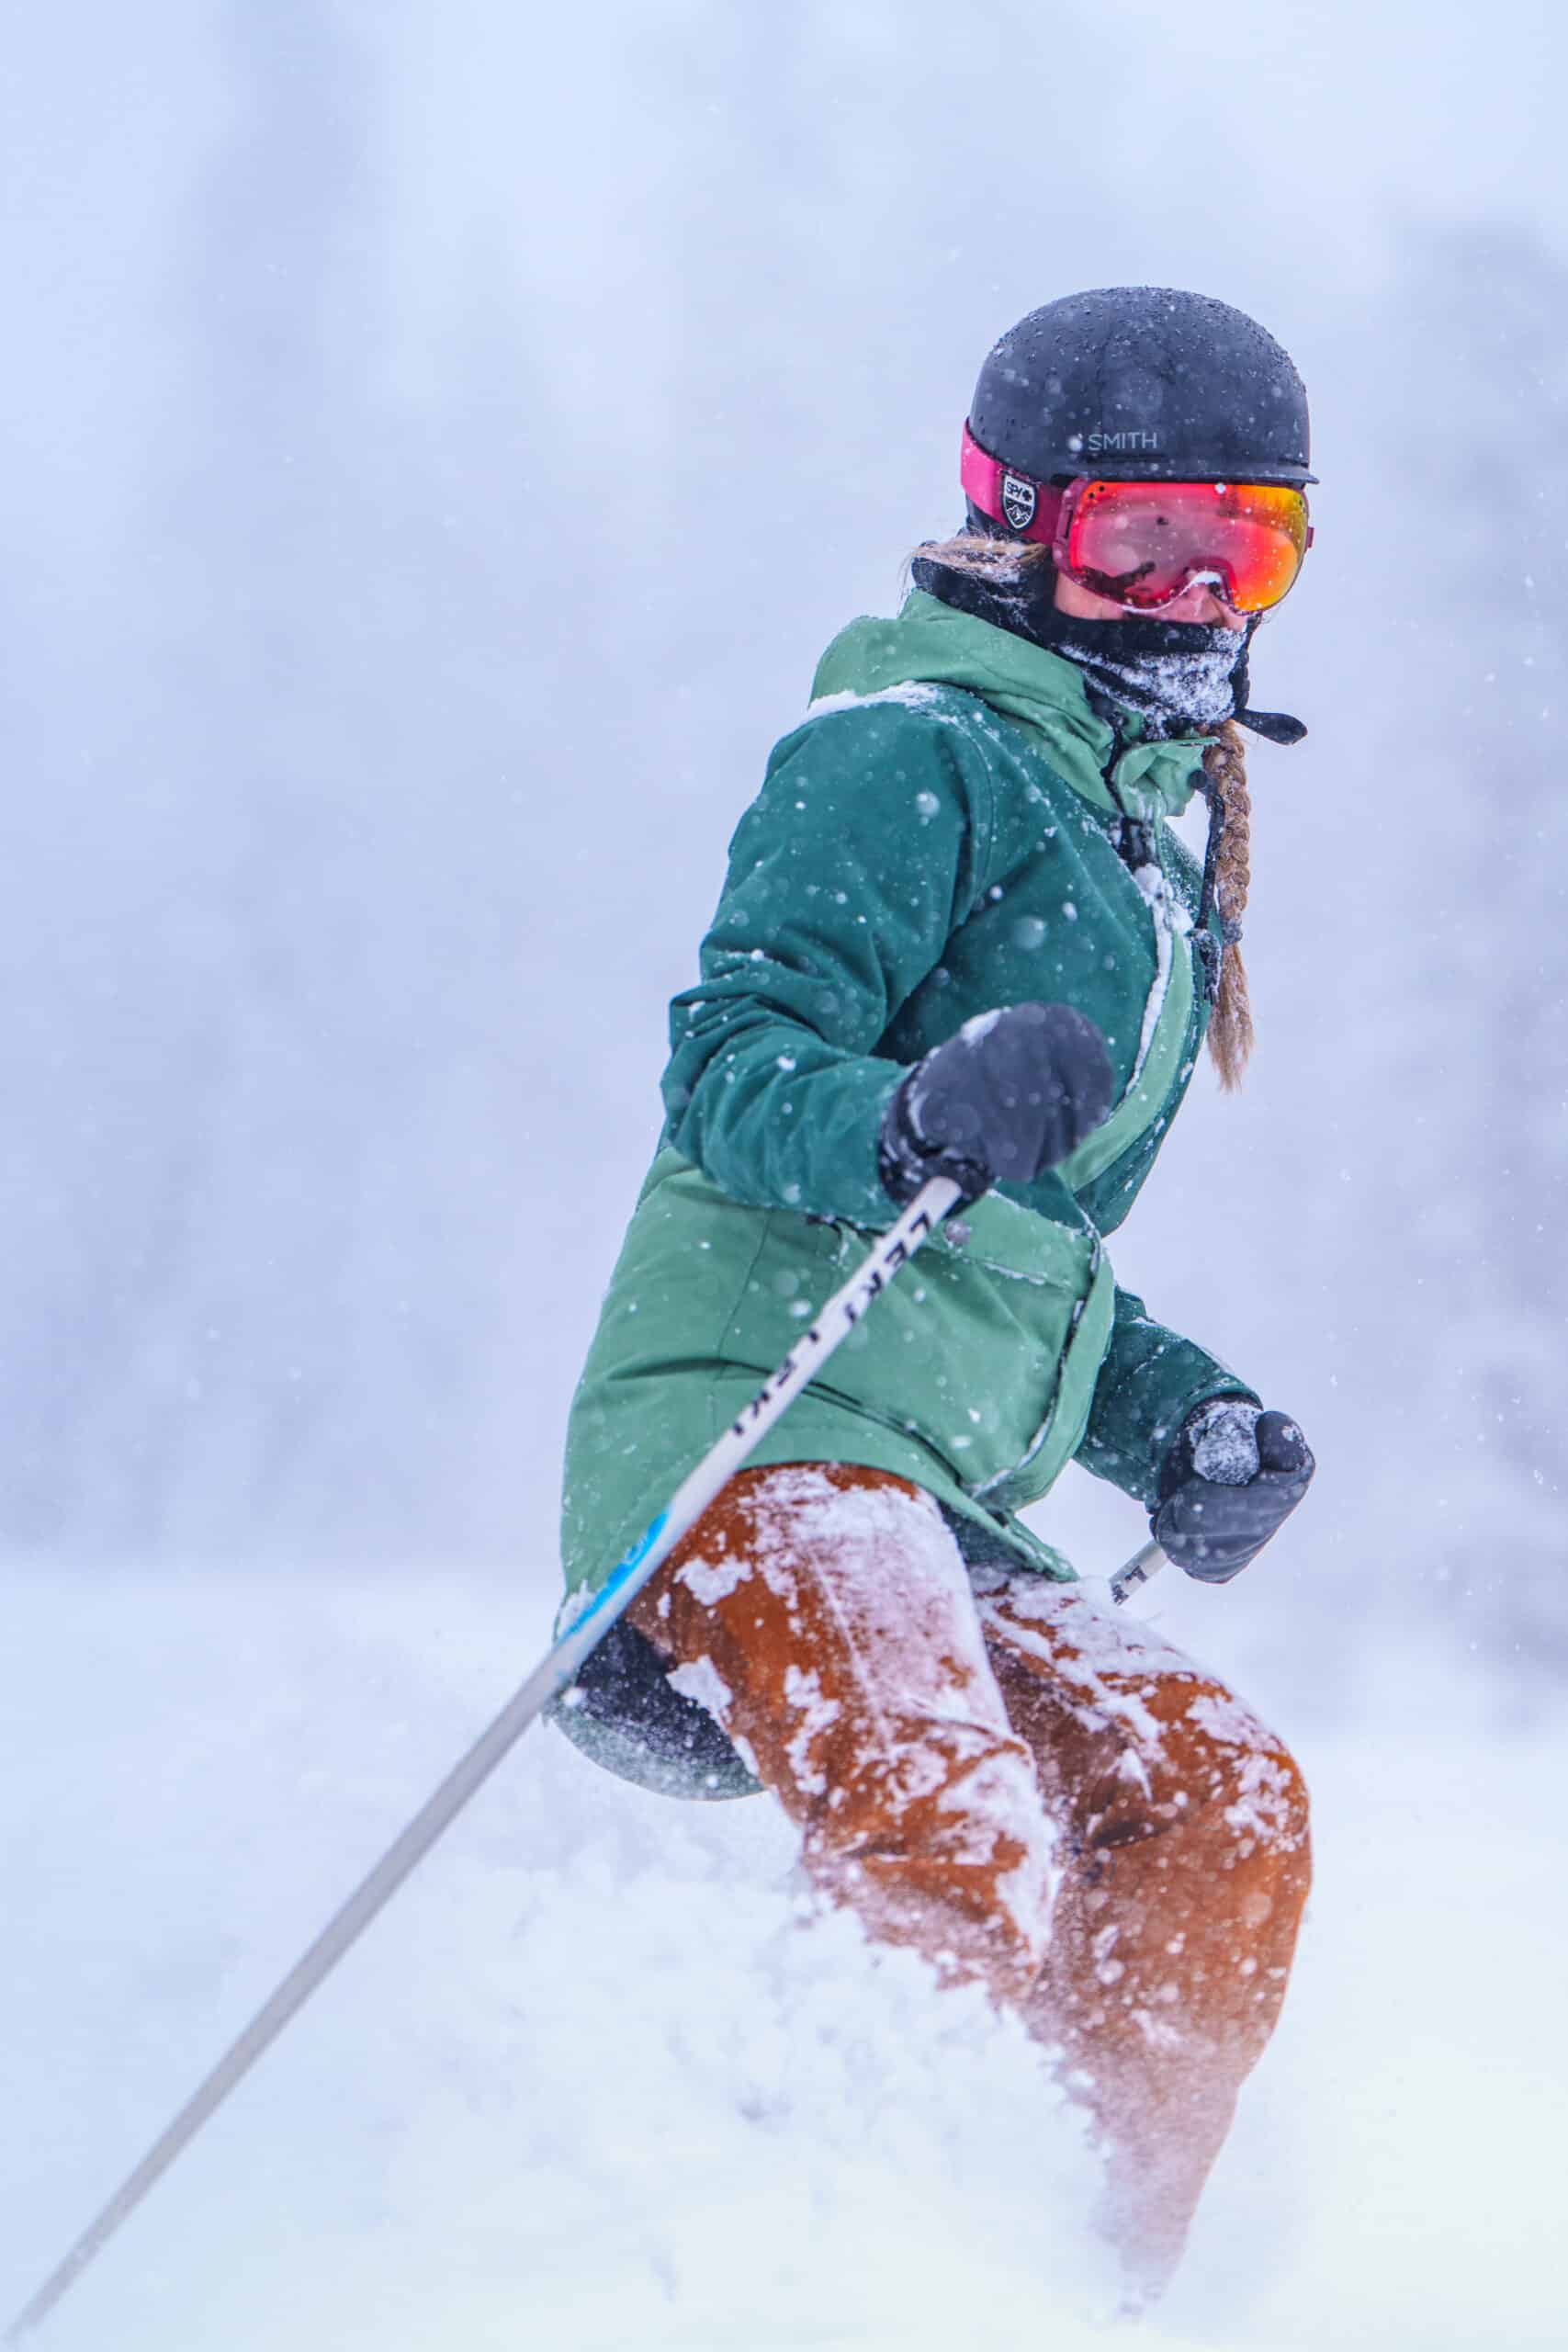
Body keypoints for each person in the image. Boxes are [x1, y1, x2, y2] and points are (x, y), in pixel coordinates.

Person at [553, 287, 1317, 2297]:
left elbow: (1029, 1240)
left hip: (942, 1484)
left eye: (1234, 547)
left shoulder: (1150, 845)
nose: (1181, 595)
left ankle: (1070, 2273)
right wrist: (899, 1111)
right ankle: (873, 2285)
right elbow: (732, 1063)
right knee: (943, 1795)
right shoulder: (906, 746)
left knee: (1217, 1799)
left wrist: (1174, 1417)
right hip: (758, 1425)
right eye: (1131, 539)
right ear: (1009, 521)